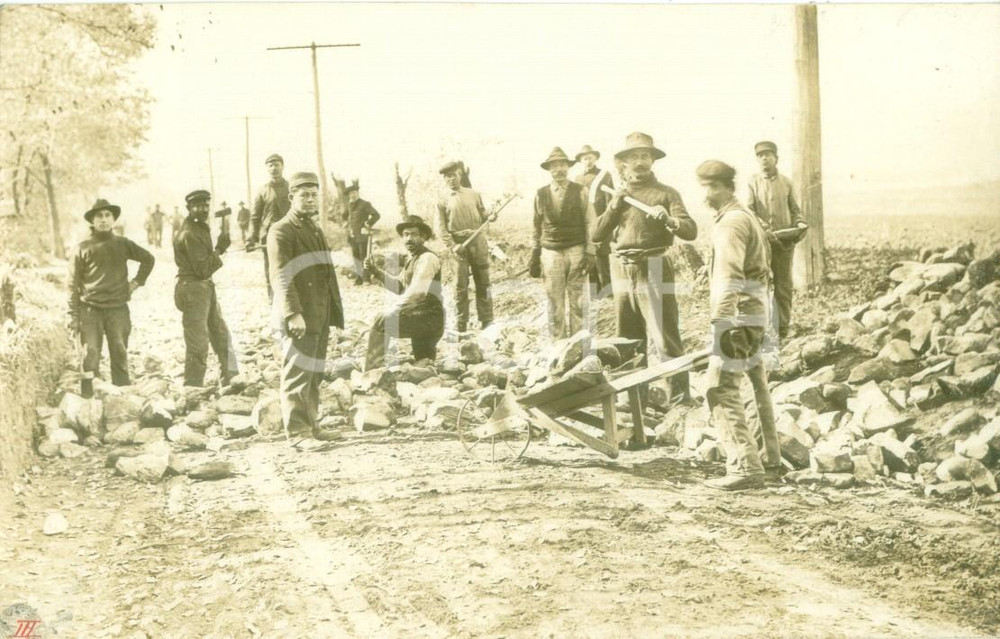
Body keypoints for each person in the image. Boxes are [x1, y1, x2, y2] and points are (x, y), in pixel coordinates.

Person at [594, 132, 698, 404]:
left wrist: (670, 220)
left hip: (653, 265)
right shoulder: (618, 196)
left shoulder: (666, 193)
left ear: (653, 160)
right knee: (627, 341)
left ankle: (679, 401)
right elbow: (597, 234)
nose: (639, 161)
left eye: (645, 156)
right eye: (633, 157)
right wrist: (615, 205)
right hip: (621, 267)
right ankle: (635, 403)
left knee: (665, 337)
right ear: (624, 163)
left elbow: (690, 229)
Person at [697, 160, 780, 491]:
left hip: (738, 316)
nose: (702, 194)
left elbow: (730, 275)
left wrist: (722, 322)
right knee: (757, 383)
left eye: (705, 187)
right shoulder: (745, 217)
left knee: (720, 388)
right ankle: (769, 459)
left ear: (718, 188)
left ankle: (745, 465)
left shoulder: (731, 223)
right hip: (756, 313)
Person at [267, 172, 345, 442]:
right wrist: (293, 314)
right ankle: (298, 433)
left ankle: (312, 425)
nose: (311, 199)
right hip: (300, 313)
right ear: (291, 198)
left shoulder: (313, 228)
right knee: (298, 371)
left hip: (319, 311)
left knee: (314, 371)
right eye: (304, 195)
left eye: (314, 194)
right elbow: (281, 276)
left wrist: (331, 312)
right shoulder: (281, 230)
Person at [67, 199, 155, 394]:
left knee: (120, 353)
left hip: (118, 309)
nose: (104, 219)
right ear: (92, 221)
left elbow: (148, 259)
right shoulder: (82, 248)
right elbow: (72, 285)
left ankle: (123, 397)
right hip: (90, 309)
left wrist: (136, 283)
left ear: (114, 219)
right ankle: (90, 399)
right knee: (90, 357)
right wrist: (72, 316)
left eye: (108, 215)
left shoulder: (122, 244)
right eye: (99, 216)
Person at [173, 189, 239, 387]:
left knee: (220, 334)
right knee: (198, 343)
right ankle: (192, 389)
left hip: (203, 287)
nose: (202, 209)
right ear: (189, 208)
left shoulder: (200, 227)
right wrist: (220, 249)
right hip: (193, 288)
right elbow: (202, 269)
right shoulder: (189, 233)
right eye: (197, 206)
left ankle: (232, 381)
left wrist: (220, 246)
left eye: (205, 205)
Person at [531, 147, 597, 339]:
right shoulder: (540, 194)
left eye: (562, 165)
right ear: (549, 169)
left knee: (578, 300)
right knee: (554, 301)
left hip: (576, 251)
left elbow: (590, 222)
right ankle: (558, 345)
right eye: (554, 166)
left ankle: (579, 344)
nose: (558, 169)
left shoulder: (581, 191)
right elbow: (536, 225)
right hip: (550, 253)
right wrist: (535, 254)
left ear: (568, 167)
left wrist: (591, 251)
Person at [363, 215, 445, 371]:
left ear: (424, 237)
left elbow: (418, 293)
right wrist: (376, 271)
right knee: (424, 366)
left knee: (382, 320)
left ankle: (372, 371)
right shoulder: (412, 258)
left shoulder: (427, 258)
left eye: (414, 234)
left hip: (429, 320)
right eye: (406, 234)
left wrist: (393, 310)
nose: (409, 238)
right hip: (419, 318)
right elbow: (401, 287)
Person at [746, 141, 808, 340]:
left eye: (768, 155)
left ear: (776, 158)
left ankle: (782, 329)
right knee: (759, 285)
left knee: (783, 286)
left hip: (784, 244)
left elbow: (795, 210)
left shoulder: (787, 183)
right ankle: (760, 330)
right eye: (760, 156)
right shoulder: (752, 183)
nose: (764, 159)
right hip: (762, 244)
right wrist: (764, 229)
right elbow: (749, 211)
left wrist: (799, 223)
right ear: (757, 160)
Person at [435, 161, 494, 333]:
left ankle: (487, 320)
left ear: (460, 174)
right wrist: (452, 245)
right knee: (460, 286)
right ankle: (461, 323)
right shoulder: (441, 199)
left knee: (484, 283)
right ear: (444, 179)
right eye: (447, 176)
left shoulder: (474, 194)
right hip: (459, 245)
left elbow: (483, 215)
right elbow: (440, 227)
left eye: (453, 175)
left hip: (478, 241)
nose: (451, 179)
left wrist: (491, 215)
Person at [248, 153, 291, 299]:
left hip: (289, 235)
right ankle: (273, 301)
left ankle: (292, 302)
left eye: (277, 165)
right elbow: (255, 217)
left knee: (292, 267)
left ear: (282, 166)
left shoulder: (291, 188)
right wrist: (251, 238)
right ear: (267, 169)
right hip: (269, 237)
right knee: (272, 270)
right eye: (270, 165)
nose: (274, 168)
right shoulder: (262, 190)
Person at [574, 144, 614, 297]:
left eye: (590, 158)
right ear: (580, 161)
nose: (587, 161)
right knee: (588, 257)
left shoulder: (604, 175)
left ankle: (608, 294)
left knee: (602, 257)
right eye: (584, 159)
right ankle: (594, 294)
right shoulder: (577, 179)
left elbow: (610, 201)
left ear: (595, 158)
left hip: (600, 221)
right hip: (584, 224)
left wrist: (607, 223)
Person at [342, 180, 381, 284]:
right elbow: (344, 216)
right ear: (348, 195)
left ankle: (366, 279)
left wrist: (367, 224)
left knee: (364, 256)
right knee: (355, 257)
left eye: (354, 192)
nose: (352, 195)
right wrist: (346, 223)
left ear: (357, 193)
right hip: (352, 235)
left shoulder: (365, 204)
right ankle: (359, 278)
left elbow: (376, 215)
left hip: (362, 234)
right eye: (350, 194)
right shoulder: (349, 205)